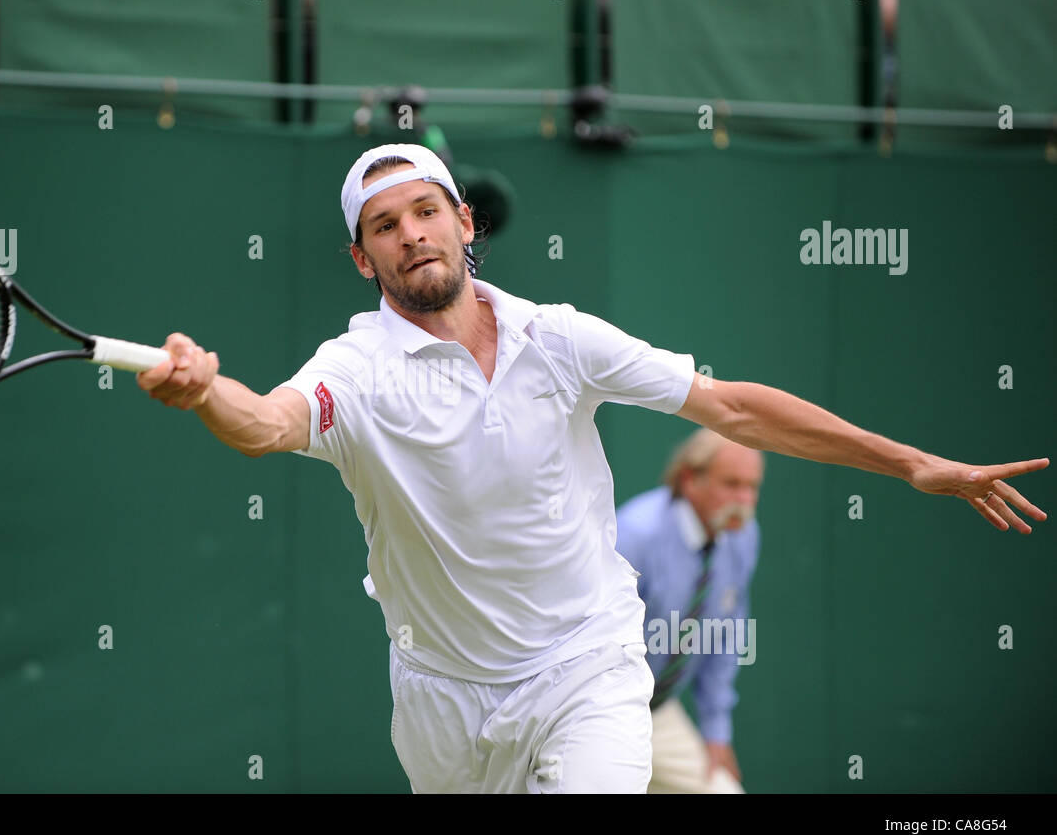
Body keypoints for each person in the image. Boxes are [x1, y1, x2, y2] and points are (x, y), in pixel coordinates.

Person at [135, 142, 1047, 794]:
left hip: (588, 666)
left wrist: (914, 462)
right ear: (361, 255)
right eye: (384, 225)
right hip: (444, 703)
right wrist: (207, 391)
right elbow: (265, 424)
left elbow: (730, 407)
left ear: (462, 221)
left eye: (423, 212)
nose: (409, 234)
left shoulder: (560, 337)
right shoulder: (354, 367)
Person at [615, 429, 763, 794]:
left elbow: (726, 636)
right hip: (600, 711)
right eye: (731, 484)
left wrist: (716, 731)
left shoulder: (743, 535)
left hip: (657, 711)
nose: (744, 499)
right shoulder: (636, 533)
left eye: (752, 486)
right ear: (688, 479)